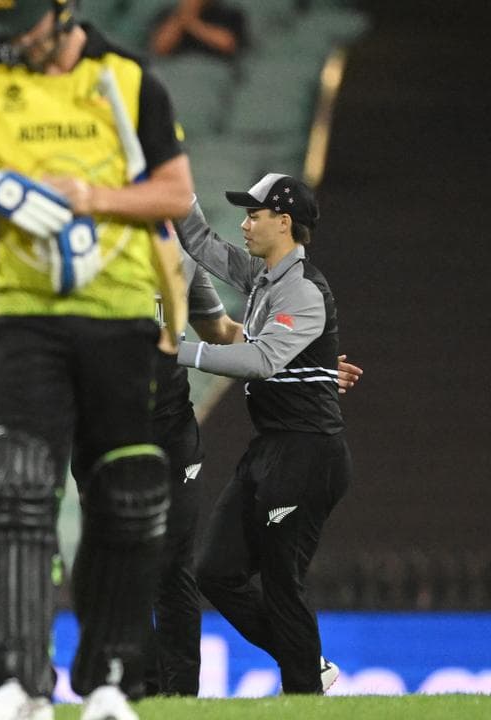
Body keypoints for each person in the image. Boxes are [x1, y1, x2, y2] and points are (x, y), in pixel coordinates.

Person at [0, 1, 196, 717]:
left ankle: (109, 679)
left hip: (119, 312)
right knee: (19, 484)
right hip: (25, 313)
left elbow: (176, 192)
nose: (11, 46)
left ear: (63, 13)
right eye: (0, 35)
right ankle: (16, 682)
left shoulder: (128, 81)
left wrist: (92, 196)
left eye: (24, 32)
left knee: (124, 493)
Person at [173, 174, 351, 695]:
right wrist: (176, 186)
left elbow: (259, 360)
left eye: (254, 214)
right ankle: (307, 663)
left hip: (307, 453)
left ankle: (303, 694)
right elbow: (202, 244)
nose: (245, 224)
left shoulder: (303, 288)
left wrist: (174, 351)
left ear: (285, 222)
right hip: (271, 448)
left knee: (281, 586)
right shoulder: (264, 277)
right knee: (215, 572)